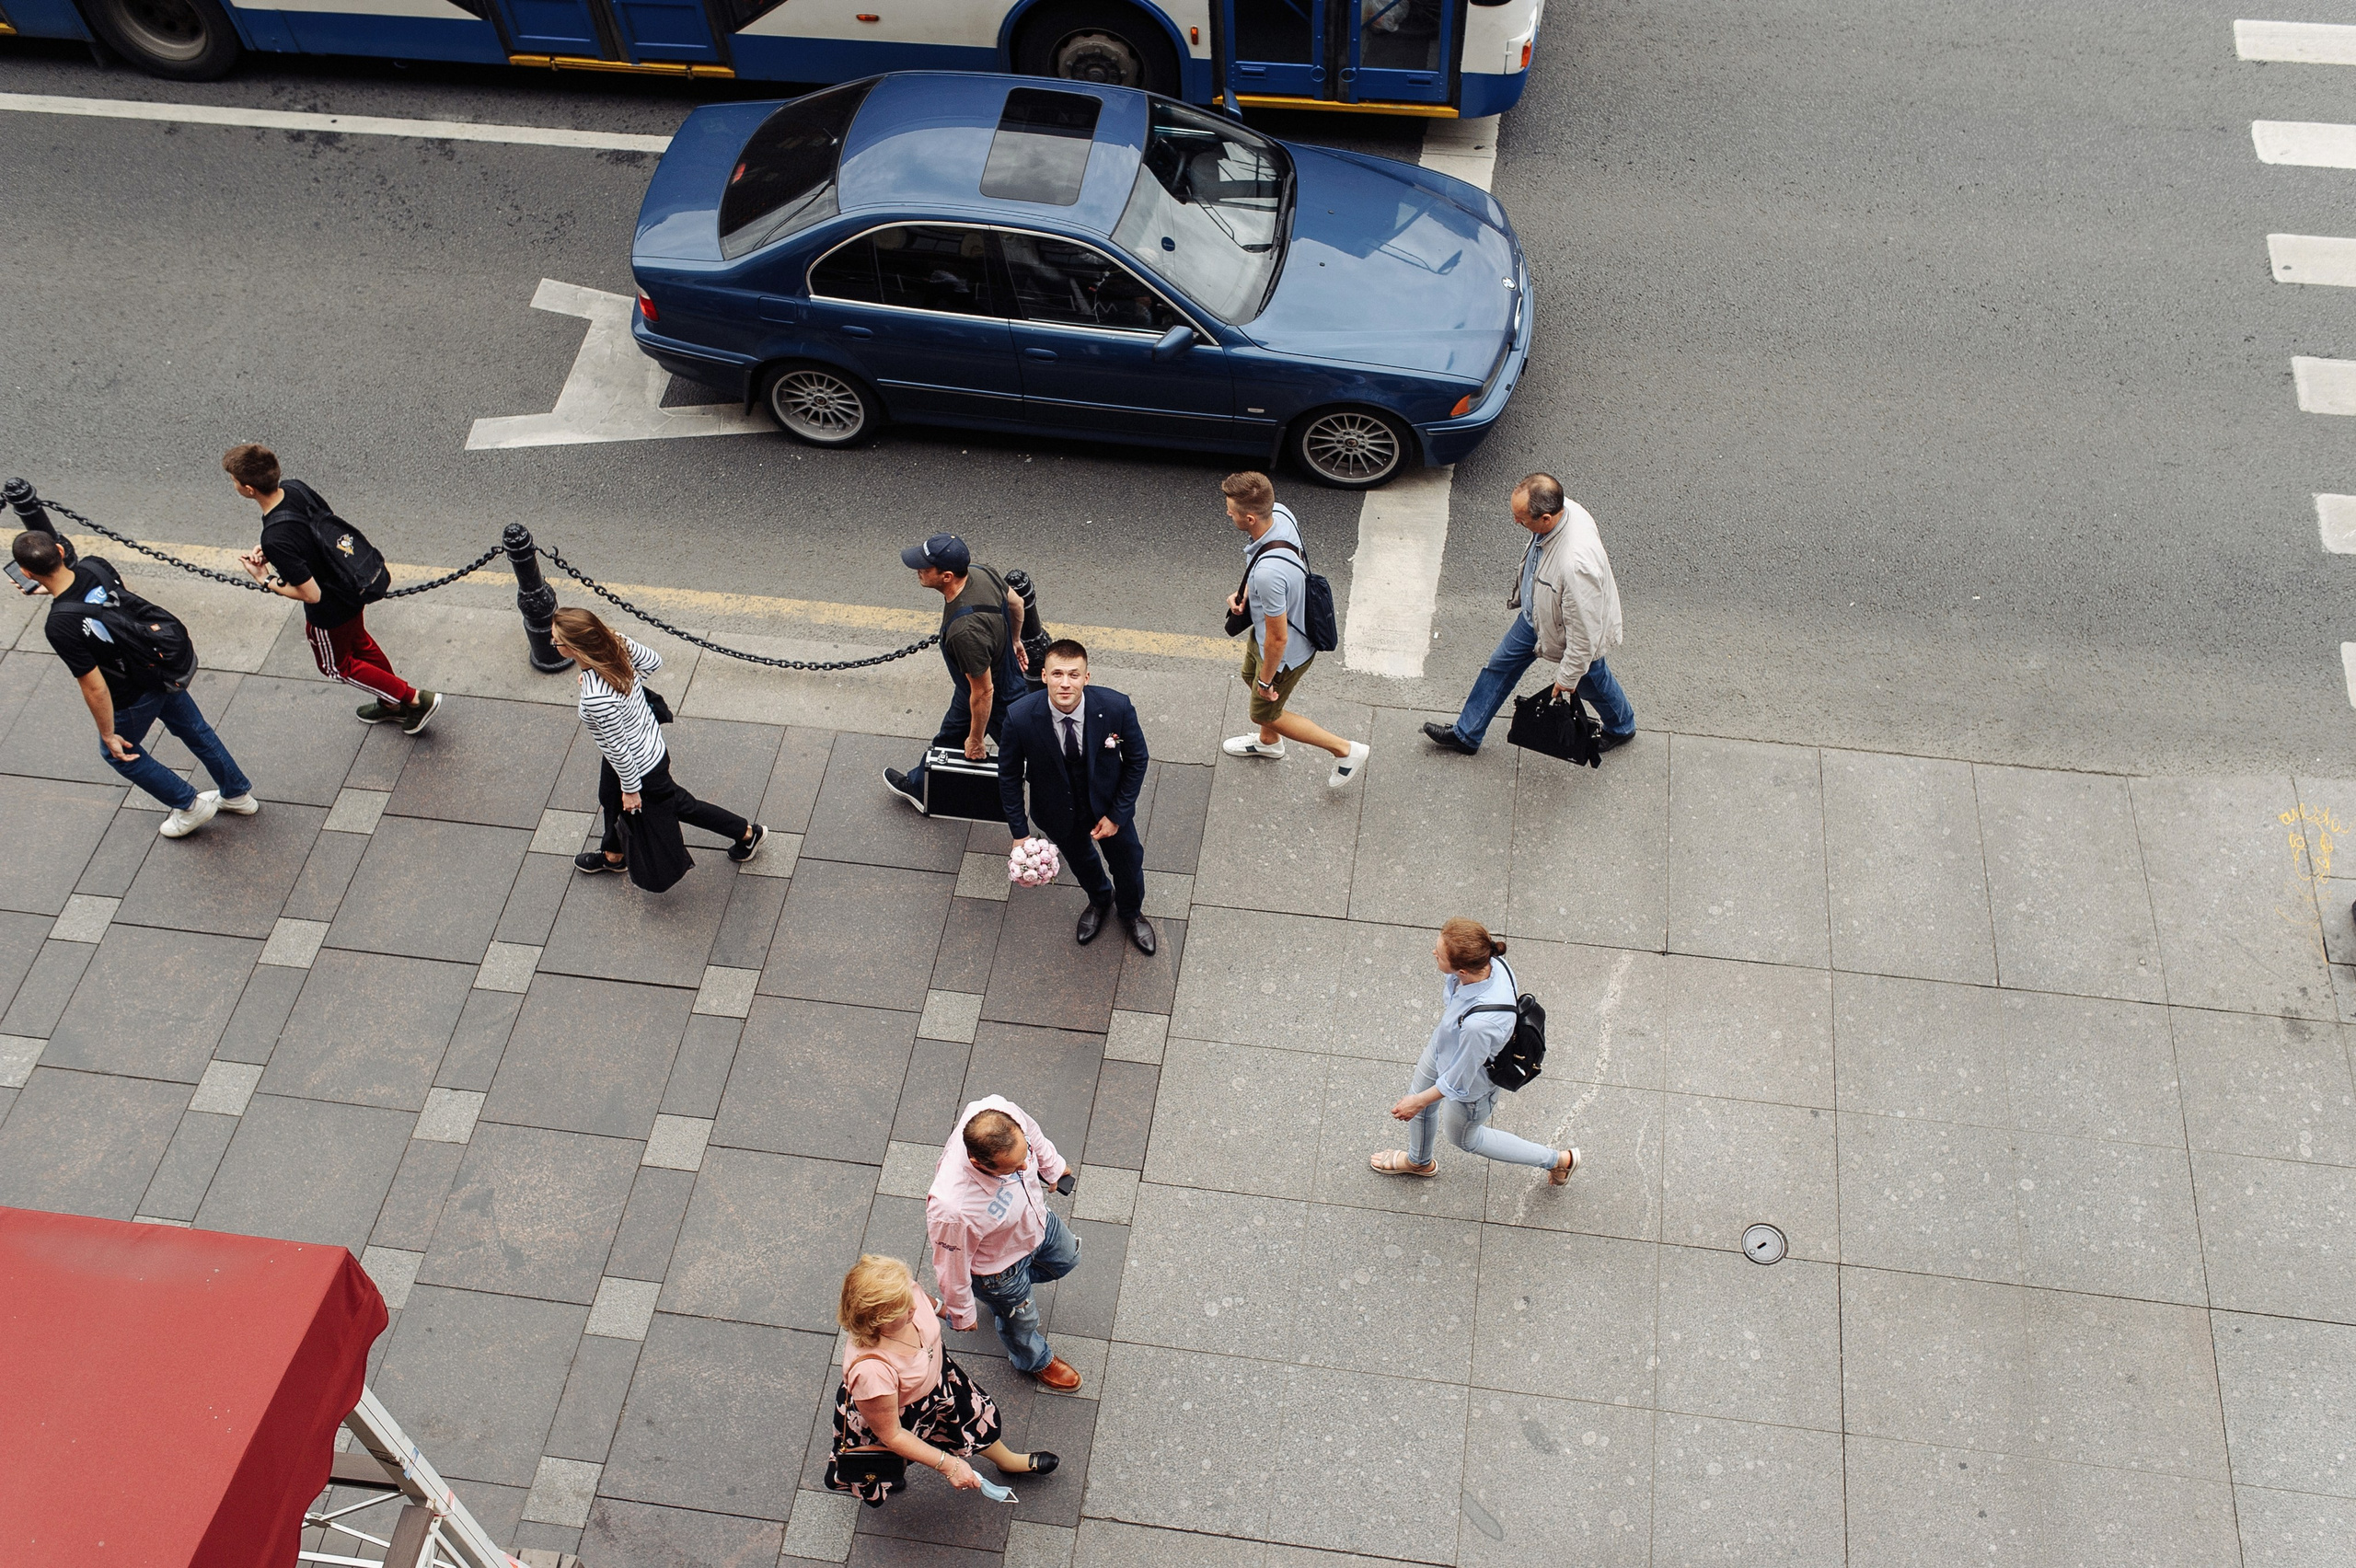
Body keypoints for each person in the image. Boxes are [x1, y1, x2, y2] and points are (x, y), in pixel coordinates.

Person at [13, 530, 259, 839]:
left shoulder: (59, 624)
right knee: (195, 729)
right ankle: (237, 794)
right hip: (157, 669)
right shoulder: (95, 566)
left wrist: (108, 733)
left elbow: (94, 687)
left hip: (130, 695)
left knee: (118, 753)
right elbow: (113, 610)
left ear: (26, 573)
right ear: (61, 551)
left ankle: (189, 805)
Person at [223, 443, 443, 735]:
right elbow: (323, 530)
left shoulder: (275, 536)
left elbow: (312, 594)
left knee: (336, 666)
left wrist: (264, 578)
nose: (233, 484)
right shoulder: (295, 488)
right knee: (360, 643)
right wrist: (273, 551)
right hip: (352, 585)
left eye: (234, 480)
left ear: (249, 489)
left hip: (329, 612)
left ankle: (413, 700)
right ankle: (391, 704)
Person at [1422, 472, 1634, 756]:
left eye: (1521, 518)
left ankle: (1622, 726)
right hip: (1536, 619)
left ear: (1546, 518)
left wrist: (1567, 677)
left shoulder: (1575, 566)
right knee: (1499, 666)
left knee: (1593, 681)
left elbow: (1584, 635)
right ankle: (1466, 734)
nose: (1516, 522)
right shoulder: (1563, 512)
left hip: (1568, 635)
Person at [548, 606, 768, 876]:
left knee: (681, 805)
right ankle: (614, 855)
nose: (552, 642)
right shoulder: (616, 645)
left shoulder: (596, 698)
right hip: (647, 742)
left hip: (640, 764)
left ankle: (747, 833)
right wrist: (614, 681)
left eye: (555, 640)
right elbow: (652, 660)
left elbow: (618, 748)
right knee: (608, 796)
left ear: (572, 648)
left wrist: (630, 789)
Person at [824, 1254, 1056, 1508]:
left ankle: (1007, 1460)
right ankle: (889, 1476)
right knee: (884, 1462)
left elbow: (924, 1300)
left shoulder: (903, 1294)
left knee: (974, 1420)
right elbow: (892, 1434)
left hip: (940, 1384)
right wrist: (950, 1466)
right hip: (901, 1413)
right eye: (903, 1309)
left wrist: (946, 1312)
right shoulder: (871, 1371)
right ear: (878, 1320)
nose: (913, 1306)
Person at [1370, 917, 1579, 1184]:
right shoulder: (1491, 962)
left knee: (1466, 1139)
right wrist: (1419, 1101)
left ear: (1463, 971)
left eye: (1440, 953)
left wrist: (1419, 1100)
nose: (1434, 953)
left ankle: (1558, 1160)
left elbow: (1459, 1080)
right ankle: (1418, 1162)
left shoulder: (1479, 1025)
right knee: (1420, 1104)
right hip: (1444, 1047)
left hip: (1470, 1085)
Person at [996, 639, 1156, 952]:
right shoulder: (1020, 717)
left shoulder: (1116, 707)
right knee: (1081, 861)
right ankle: (1099, 900)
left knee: (1128, 864)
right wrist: (1020, 834)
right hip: (1056, 809)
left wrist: (1117, 815)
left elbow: (1138, 761)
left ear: (1087, 677)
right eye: (1057, 674)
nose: (1065, 683)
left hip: (1108, 805)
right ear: (1044, 677)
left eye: (1073, 674)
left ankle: (1130, 912)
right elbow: (1009, 777)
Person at [1218, 471, 1369, 788]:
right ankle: (1268, 743)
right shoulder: (1280, 513)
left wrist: (1267, 680)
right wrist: (1245, 595)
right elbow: (1261, 560)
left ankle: (1344, 750)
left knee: (1264, 712)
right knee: (1248, 677)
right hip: (1263, 637)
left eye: (1230, 510)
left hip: (1284, 655)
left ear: (1248, 518)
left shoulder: (1269, 575)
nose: (1227, 513)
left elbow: (1278, 638)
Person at [928, 1097, 1084, 1392]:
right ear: (979, 1163)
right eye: (1013, 1167)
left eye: (1025, 1155)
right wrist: (961, 1312)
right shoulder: (953, 1208)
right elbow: (951, 1263)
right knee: (1021, 1323)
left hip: (1036, 1222)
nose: (1026, 1166)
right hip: (999, 1270)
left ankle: (1001, 1302)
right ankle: (1033, 1359)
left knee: (1067, 1257)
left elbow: (1033, 1134)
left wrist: (1053, 1167)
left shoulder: (996, 1110)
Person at [884, 534, 1029, 812]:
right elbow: (1017, 604)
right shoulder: (981, 572)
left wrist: (976, 740)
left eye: (926, 567)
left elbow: (984, 693)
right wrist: (1014, 640)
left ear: (947, 576)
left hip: (993, 693)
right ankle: (922, 786)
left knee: (1031, 753)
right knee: (950, 737)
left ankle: (1071, 803)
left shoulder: (966, 630)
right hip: (990, 676)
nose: (918, 571)